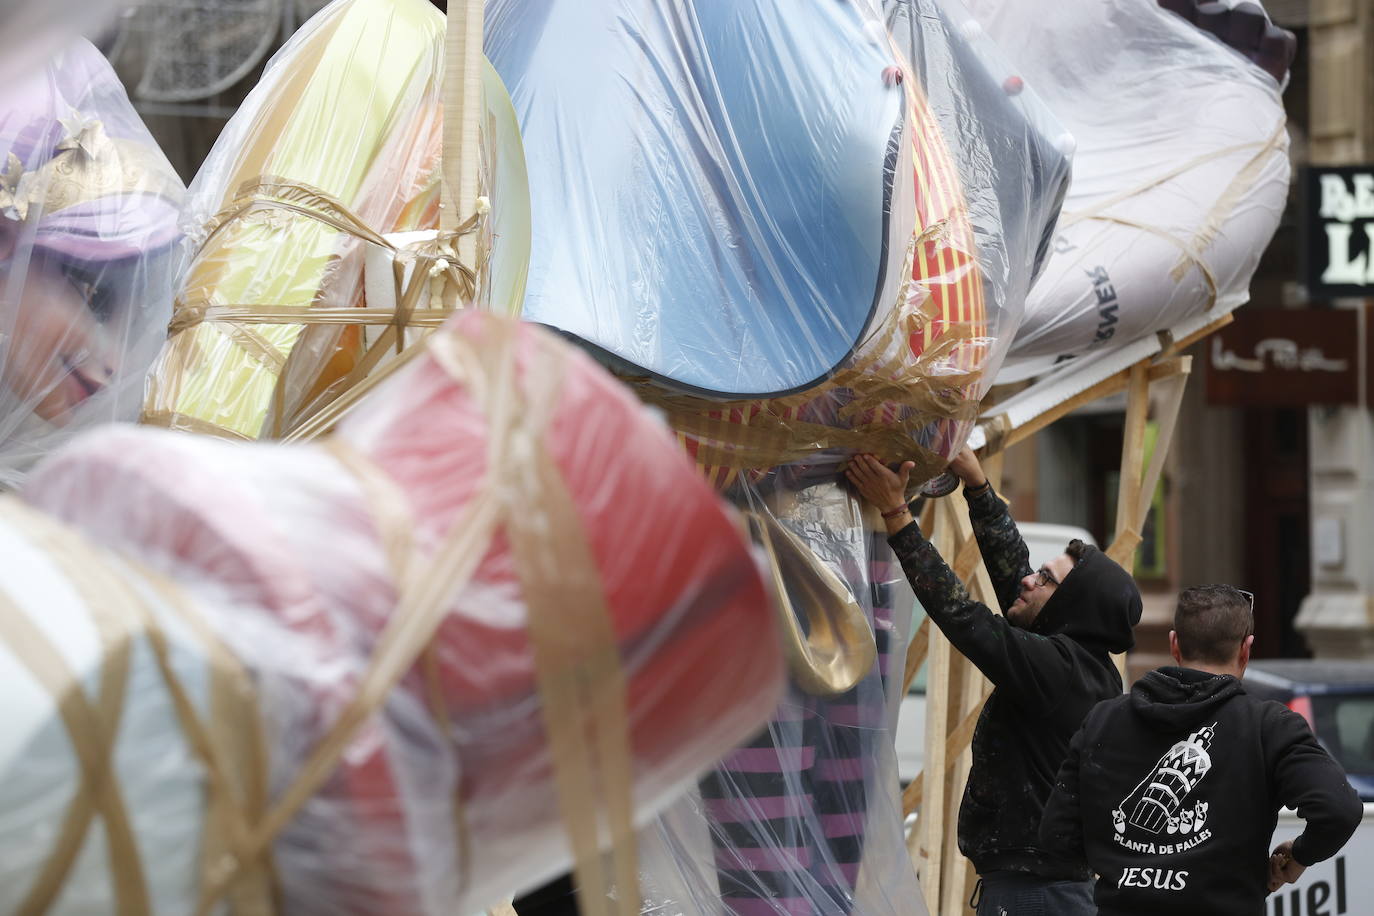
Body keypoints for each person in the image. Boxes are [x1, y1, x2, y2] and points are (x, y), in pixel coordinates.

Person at [845, 448, 1142, 915]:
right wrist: (978, 487)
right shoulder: (1078, 661)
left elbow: (964, 618)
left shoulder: (1059, 670)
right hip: (1040, 890)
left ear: (1072, 607)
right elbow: (1014, 580)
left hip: (1037, 897)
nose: (1028, 580)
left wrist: (898, 514)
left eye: (1045, 578)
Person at [1039, 584, 1362, 915]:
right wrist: (1297, 857)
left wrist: (1124, 868)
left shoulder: (1103, 720)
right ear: (1246, 650)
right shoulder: (1268, 726)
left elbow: (1057, 837)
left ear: (1174, 644)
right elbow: (1338, 809)